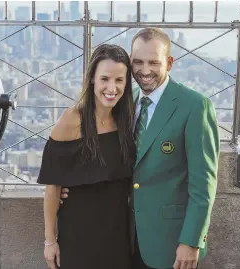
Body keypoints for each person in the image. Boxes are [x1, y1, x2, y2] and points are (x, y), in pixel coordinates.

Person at [61, 28, 220, 269]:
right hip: (124, 237)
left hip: (170, 242)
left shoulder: (195, 106)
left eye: (153, 62)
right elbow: (104, 152)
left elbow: (203, 185)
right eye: (138, 62)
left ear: (169, 62)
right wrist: (71, 184)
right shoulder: (126, 99)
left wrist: (192, 241)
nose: (145, 71)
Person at [37, 44, 136, 269]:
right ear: (92, 78)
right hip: (78, 236)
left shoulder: (126, 118)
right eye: (105, 79)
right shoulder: (71, 120)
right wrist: (50, 241)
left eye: (119, 80)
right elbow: (53, 187)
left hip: (117, 236)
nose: (112, 88)